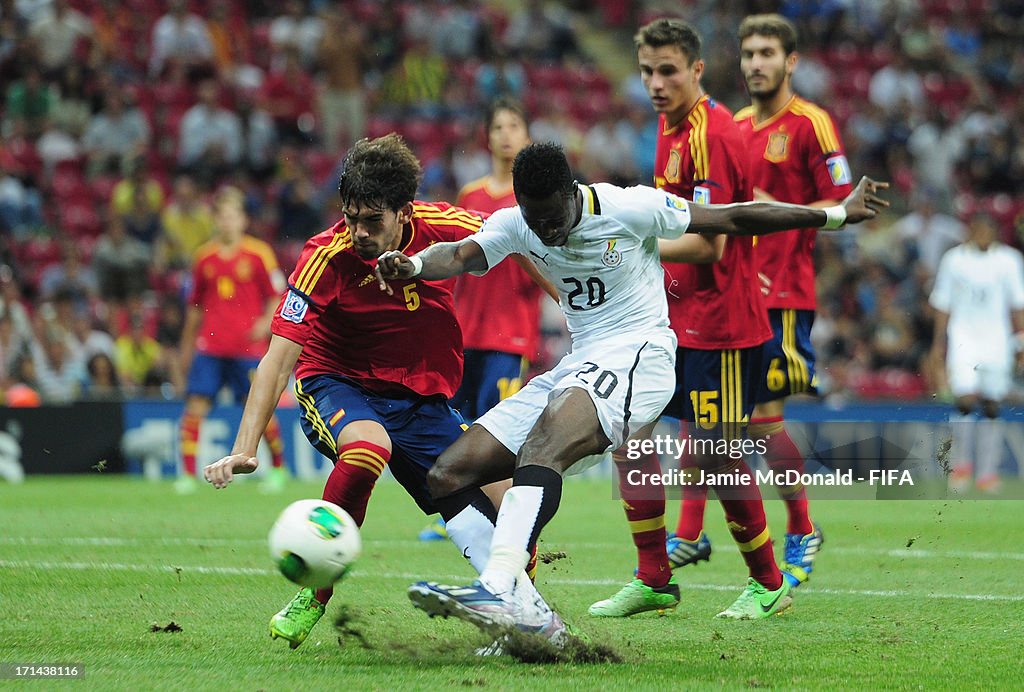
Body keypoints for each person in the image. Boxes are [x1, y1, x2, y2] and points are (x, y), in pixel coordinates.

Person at [376, 141, 887, 638]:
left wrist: (835, 215)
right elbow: (462, 255)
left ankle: (499, 586)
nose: (546, 232)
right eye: (536, 220)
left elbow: (733, 217)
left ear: (572, 193)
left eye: (554, 217)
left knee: (545, 444)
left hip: (641, 353)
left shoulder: (627, 206)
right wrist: (415, 265)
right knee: (448, 472)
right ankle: (526, 607)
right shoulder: (519, 221)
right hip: (581, 360)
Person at [201, 134, 559, 650]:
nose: (359, 233)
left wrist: (567, 303)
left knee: (512, 507)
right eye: (350, 218)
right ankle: (315, 596)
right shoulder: (325, 257)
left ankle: (516, 616)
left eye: (373, 221)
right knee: (370, 448)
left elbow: (516, 237)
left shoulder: (443, 226)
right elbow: (278, 359)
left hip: (421, 400)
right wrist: (246, 447)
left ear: (404, 212)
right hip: (338, 383)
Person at [590, 17, 781, 621]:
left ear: (697, 69)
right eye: (647, 71)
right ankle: (652, 576)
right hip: (675, 322)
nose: (655, 83)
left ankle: (768, 581)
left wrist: (629, 247)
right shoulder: (668, 127)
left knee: (720, 457)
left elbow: (709, 244)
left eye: (668, 71)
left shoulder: (712, 134)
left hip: (724, 328)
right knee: (631, 435)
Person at [667, 14, 855, 592]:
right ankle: (691, 532)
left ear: (790, 61)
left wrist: (769, 203)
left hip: (784, 295)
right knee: (705, 418)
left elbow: (842, 203)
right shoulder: (733, 126)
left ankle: (800, 528)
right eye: (748, 53)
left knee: (760, 420)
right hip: (728, 296)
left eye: (767, 53)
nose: (755, 63)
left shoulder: (811, 123)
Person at [418, 97, 556, 542]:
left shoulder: (536, 199)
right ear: (488, 137)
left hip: (510, 334)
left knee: (498, 428)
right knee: (456, 424)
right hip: (464, 331)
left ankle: (514, 522)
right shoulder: (470, 195)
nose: (505, 134)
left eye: (514, 125)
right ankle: (464, 511)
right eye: (497, 126)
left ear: (528, 136)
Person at [177, 187, 288, 495]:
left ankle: (279, 468)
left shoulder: (258, 253)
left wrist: (265, 323)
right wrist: (185, 350)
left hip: (247, 349)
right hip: (210, 347)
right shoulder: (204, 258)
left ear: (242, 219)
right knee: (195, 406)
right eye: (221, 216)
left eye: (232, 216)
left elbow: (276, 296)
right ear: (215, 220)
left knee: (259, 408)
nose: (227, 222)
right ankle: (187, 475)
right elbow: (194, 307)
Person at [930, 212, 1024, 495]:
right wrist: (937, 345)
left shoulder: (1009, 260)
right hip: (963, 338)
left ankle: (987, 473)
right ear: (971, 230)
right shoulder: (954, 260)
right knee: (965, 399)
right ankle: (961, 467)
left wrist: (1021, 341)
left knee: (993, 404)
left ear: (995, 232)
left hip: (997, 339)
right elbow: (943, 303)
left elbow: (1017, 304)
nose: (983, 234)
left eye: (988, 230)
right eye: (978, 229)